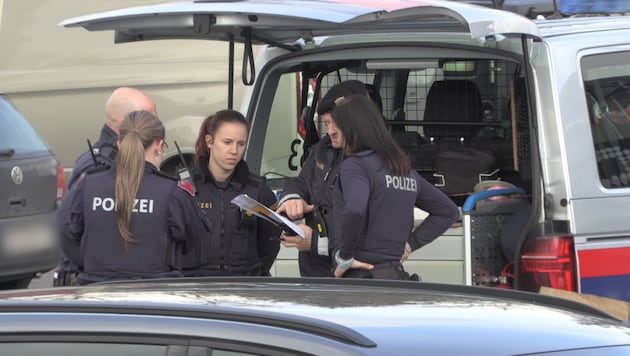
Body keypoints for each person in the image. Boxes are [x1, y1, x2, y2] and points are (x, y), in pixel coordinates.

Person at [56, 110, 210, 284]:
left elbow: (66, 229)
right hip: (154, 297)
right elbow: (197, 239)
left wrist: (91, 267)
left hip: (96, 295)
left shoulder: (88, 185)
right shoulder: (173, 193)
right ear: (159, 146)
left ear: (119, 144)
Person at [327, 94, 460, 279]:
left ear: (355, 128)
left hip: (361, 280)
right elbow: (449, 211)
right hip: (396, 277)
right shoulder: (404, 169)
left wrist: (345, 257)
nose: (331, 131)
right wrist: (411, 243)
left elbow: (355, 209)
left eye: (337, 125)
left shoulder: (356, 165)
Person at [54, 87, 158, 286]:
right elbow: (66, 226)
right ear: (122, 124)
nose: (156, 124)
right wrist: (96, 267)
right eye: (148, 117)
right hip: (94, 284)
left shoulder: (119, 158)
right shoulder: (98, 165)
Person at [276, 80, 371, 277]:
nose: (330, 131)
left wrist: (316, 243)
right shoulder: (323, 149)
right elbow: (301, 182)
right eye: (327, 123)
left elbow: (371, 236)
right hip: (314, 275)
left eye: (336, 124)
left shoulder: (377, 161)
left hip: (356, 280)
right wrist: (292, 198)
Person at [183, 109, 280, 276]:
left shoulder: (258, 190)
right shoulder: (185, 187)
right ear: (210, 141)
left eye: (241, 144)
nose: (234, 151)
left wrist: (253, 275)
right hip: (196, 290)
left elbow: (270, 243)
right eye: (227, 142)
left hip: (245, 289)